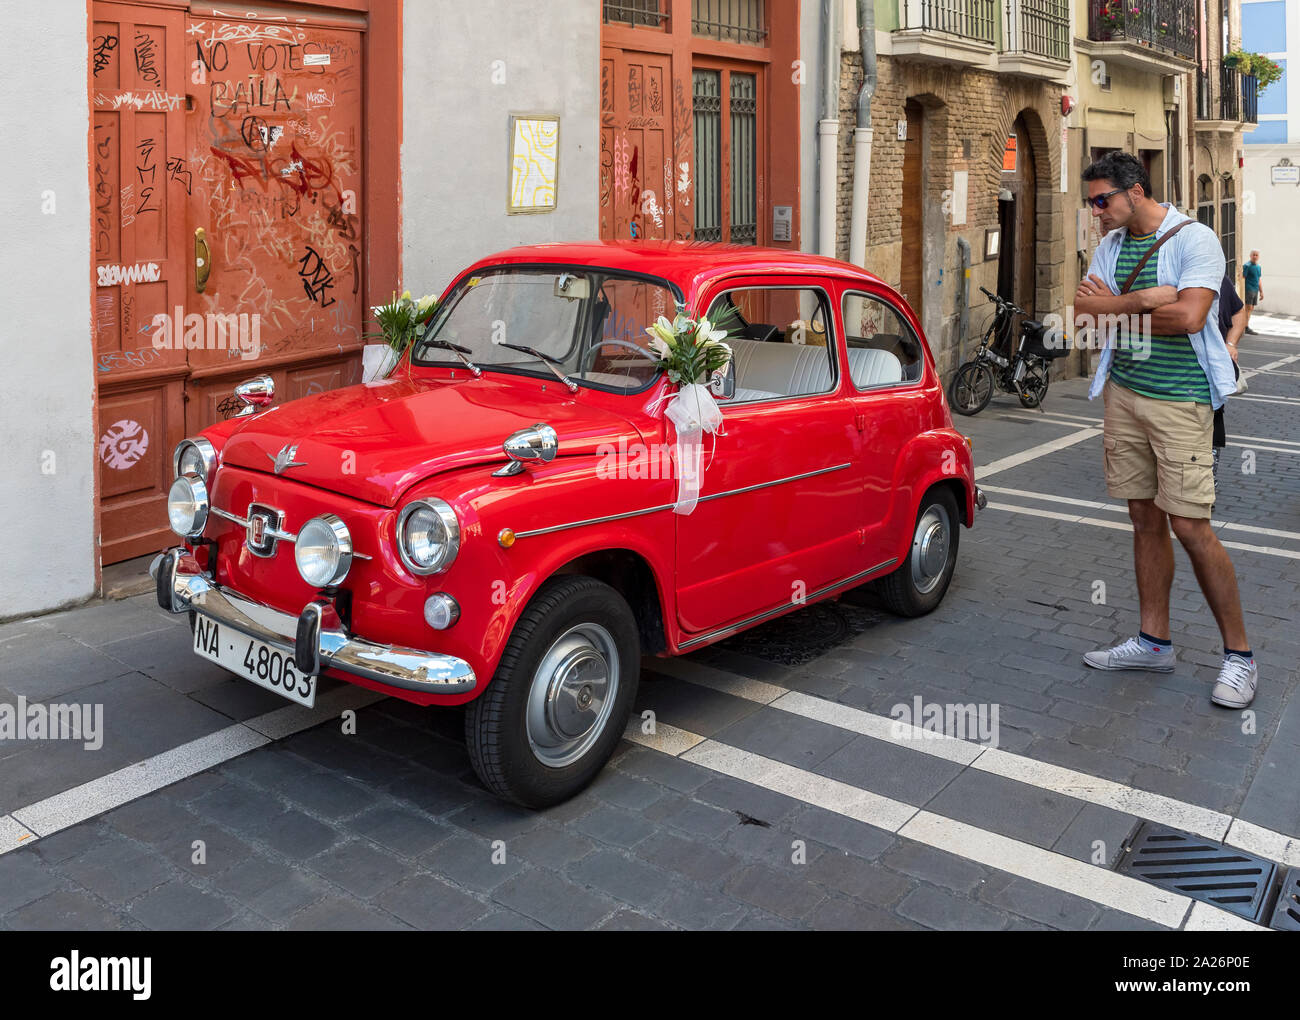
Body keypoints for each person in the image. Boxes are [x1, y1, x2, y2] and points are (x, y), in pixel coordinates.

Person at [1073, 151, 1258, 709]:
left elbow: (1189, 318)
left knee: (1190, 524)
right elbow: (1081, 312)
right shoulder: (1110, 246)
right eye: (1090, 203)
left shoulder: (1194, 239)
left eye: (1102, 200)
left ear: (1136, 190)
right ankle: (1154, 642)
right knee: (1143, 517)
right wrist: (1145, 299)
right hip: (1124, 393)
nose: (1096, 213)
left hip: (1181, 401)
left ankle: (1241, 657)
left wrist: (1117, 306)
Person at [1212, 274, 1245, 486]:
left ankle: (1208, 481)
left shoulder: (1219, 279)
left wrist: (1231, 343)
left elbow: (1239, 311)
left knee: (1212, 431)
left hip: (1211, 376)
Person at [1242, 251, 1262, 334]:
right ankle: (1245, 326)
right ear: (1250, 256)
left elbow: (1259, 279)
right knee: (1248, 308)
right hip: (1248, 289)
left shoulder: (1258, 267)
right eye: (1253, 255)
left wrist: (1261, 291)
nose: (1255, 256)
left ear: (1258, 256)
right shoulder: (1247, 266)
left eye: (1256, 255)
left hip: (1255, 289)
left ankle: (1246, 325)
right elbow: (1243, 277)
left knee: (1251, 309)